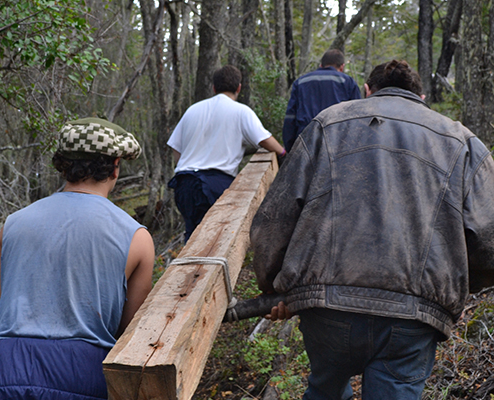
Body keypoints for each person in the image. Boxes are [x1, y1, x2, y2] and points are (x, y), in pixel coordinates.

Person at [250, 60, 494, 400]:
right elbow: (488, 243)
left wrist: (274, 287)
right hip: (413, 316)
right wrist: (454, 287)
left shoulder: (327, 124)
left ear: (367, 90)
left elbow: (275, 218)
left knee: (325, 390)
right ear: (421, 97)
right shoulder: (462, 141)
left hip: (328, 309)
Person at [0, 118, 155, 400]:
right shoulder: (137, 237)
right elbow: (130, 332)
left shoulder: (13, 224)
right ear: (115, 166)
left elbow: (2, 310)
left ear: (63, 165)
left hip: (0, 370)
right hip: (82, 374)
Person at [167, 65, 285, 242]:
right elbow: (264, 139)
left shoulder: (192, 110)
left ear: (214, 88)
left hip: (184, 183)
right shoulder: (241, 111)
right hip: (215, 184)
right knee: (219, 240)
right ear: (239, 87)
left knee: (193, 239)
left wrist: (188, 163)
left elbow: (176, 148)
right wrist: (283, 153)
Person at [282, 48, 361, 152]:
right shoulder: (348, 82)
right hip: (337, 143)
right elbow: (357, 118)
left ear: (321, 65)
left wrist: (290, 148)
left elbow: (290, 117)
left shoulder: (301, 82)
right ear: (342, 67)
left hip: (305, 142)